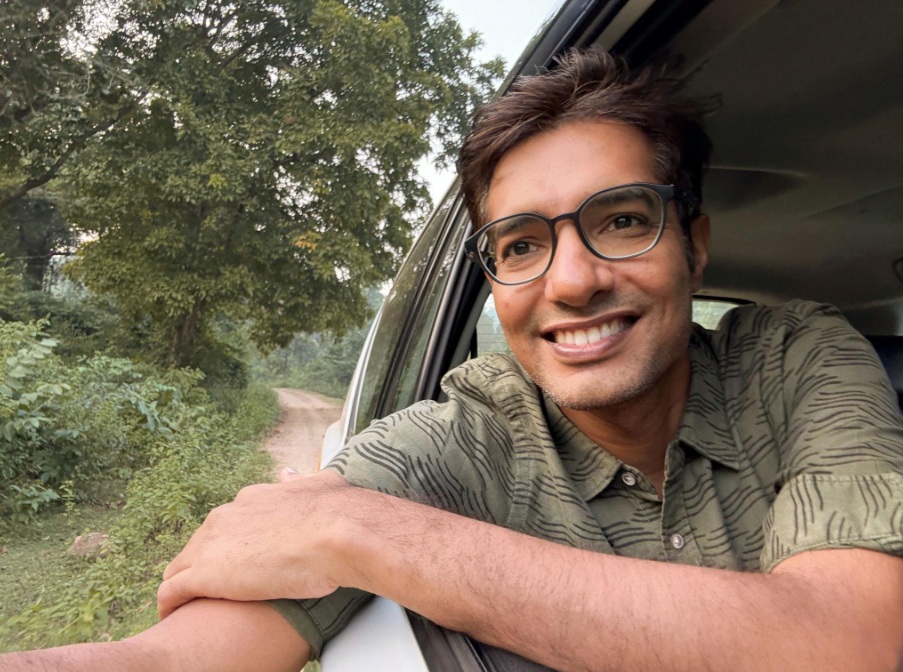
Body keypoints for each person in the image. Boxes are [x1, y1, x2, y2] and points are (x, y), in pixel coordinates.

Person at [3, 47, 902, 672]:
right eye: (520, 245)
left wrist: (367, 535)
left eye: (622, 220)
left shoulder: (795, 360)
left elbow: (848, 644)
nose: (572, 281)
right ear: (495, 280)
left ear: (693, 247)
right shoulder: (461, 441)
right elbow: (170, 660)